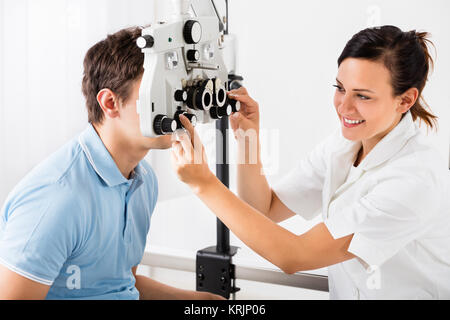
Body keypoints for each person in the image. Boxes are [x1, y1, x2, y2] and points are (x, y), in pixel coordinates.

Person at [171, 25, 450, 299]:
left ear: (405, 100)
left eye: (363, 96)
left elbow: (294, 256)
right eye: (340, 88)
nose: (344, 107)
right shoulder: (344, 145)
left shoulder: (415, 178)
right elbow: (262, 209)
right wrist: (248, 139)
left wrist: (204, 184)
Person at [0, 26, 222, 300]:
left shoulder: (143, 181)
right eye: (158, 93)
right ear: (110, 102)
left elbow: (119, 285)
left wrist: (201, 301)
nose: (178, 107)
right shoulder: (57, 199)